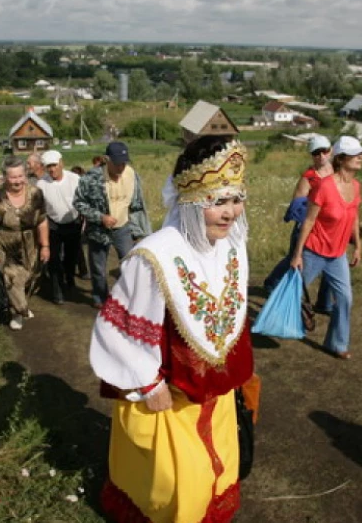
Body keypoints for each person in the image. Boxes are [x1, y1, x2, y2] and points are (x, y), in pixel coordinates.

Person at [89, 136, 254, 522]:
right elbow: (118, 328)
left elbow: (228, 313)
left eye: (235, 198)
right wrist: (148, 384)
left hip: (215, 390)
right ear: (193, 202)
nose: (230, 212)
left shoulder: (232, 243)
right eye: (218, 201)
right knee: (181, 484)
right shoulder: (154, 256)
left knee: (219, 466)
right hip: (171, 394)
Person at [290, 136, 362, 360]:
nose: (361, 157)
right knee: (291, 291)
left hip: (338, 254)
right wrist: (297, 254)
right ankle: (272, 322)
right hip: (314, 251)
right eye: (355, 154)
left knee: (345, 299)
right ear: (341, 159)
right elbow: (309, 221)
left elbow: (354, 217)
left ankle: (337, 344)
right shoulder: (324, 186)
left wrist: (358, 247)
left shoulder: (356, 186)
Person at [73, 141, 150, 308]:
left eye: (124, 162)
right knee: (99, 269)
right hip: (99, 230)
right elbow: (78, 203)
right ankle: (100, 298)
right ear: (106, 159)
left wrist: (139, 229)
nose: (121, 167)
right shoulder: (90, 178)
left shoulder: (131, 174)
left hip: (123, 228)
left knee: (130, 264)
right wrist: (100, 217)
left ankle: (129, 298)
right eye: (117, 163)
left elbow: (137, 203)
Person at [263, 135, 333, 311]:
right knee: (294, 257)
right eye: (316, 153)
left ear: (330, 151)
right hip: (307, 225)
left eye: (324, 151)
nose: (321, 156)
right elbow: (297, 203)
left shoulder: (336, 173)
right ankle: (272, 283)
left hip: (329, 227)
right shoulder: (309, 177)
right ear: (312, 155)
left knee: (331, 261)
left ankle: (324, 303)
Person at [0, 156, 50, 331]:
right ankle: (19, 312)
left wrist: (45, 246)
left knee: (30, 277)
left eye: (20, 176)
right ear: (5, 177)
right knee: (13, 277)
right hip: (4, 243)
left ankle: (19, 304)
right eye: (13, 177)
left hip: (30, 243)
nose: (18, 181)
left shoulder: (35, 193)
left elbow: (42, 221)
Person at [37, 150, 82, 305]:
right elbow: (39, 207)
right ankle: (57, 290)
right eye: (48, 166)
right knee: (54, 258)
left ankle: (69, 277)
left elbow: (83, 199)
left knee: (71, 257)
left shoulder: (74, 179)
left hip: (73, 222)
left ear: (61, 163)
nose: (52, 169)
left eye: (54, 165)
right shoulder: (42, 184)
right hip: (53, 224)